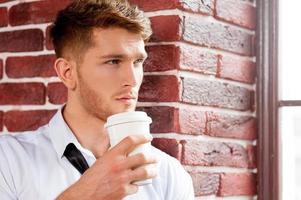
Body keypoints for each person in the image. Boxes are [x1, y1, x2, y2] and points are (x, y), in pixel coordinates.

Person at [0, 0, 195, 199]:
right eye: (113, 61)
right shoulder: (8, 160)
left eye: (137, 62)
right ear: (67, 73)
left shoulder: (169, 174)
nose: (132, 80)